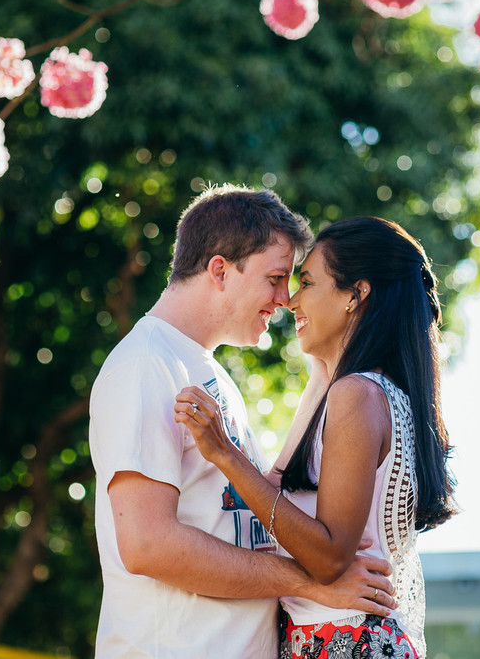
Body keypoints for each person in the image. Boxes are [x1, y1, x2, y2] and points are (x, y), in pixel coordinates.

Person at [89, 186, 398, 658]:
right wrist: (310, 582)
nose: (286, 298)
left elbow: (260, 503)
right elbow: (147, 544)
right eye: (275, 278)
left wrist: (323, 371)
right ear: (219, 270)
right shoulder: (147, 364)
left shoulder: (211, 374)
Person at [176, 216, 456, 659]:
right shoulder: (364, 391)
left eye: (307, 282)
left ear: (355, 295)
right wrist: (321, 371)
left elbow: (329, 559)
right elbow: (275, 494)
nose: (289, 301)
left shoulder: (357, 395)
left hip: (345, 641)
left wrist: (224, 454)